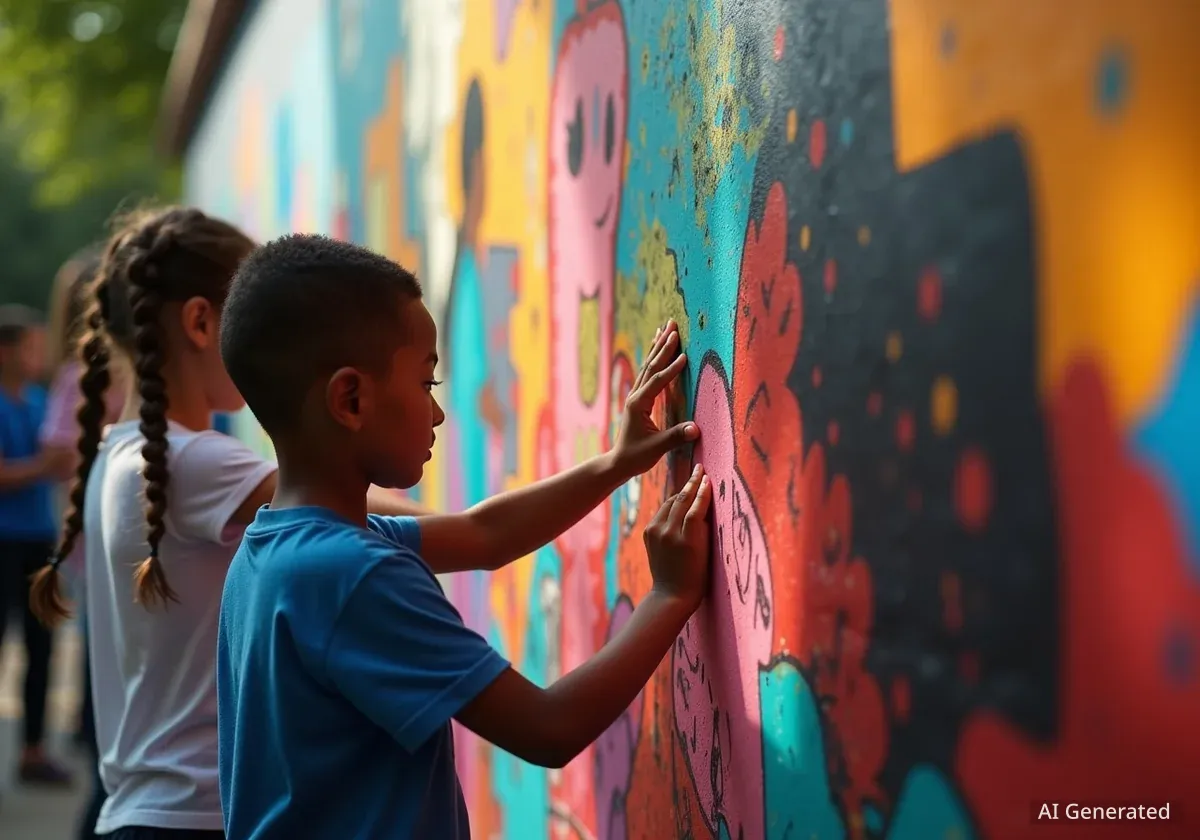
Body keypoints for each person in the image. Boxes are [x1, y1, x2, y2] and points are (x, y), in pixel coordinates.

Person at [215, 233, 713, 839]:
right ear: (350, 399)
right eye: (427, 384)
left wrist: (616, 462)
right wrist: (670, 596)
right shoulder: (355, 575)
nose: (437, 413)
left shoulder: (272, 553)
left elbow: (485, 535)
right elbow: (548, 728)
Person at [29, 206, 428, 840]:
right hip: (194, 818)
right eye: (250, 316)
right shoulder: (194, 463)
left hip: (137, 810)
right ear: (199, 321)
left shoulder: (120, 450)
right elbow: (417, 528)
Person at [40, 245, 128, 838]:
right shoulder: (82, 377)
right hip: (101, 539)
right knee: (109, 665)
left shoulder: (110, 374)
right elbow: (54, 450)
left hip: (110, 536)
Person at [0, 303, 74, 787]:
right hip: (3, 539)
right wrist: (45, 467)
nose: (39, 354)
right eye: (30, 346)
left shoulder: (40, 399)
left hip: (38, 538)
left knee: (42, 646)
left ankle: (32, 750)